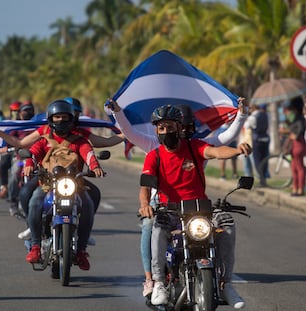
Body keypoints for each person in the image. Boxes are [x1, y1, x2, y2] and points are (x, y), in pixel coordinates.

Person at [107, 98, 249, 298]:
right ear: (156, 131)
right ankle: (156, 282)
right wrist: (145, 205)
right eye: (161, 128)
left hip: (200, 209)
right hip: (170, 210)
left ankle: (226, 285)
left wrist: (237, 151)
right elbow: (145, 187)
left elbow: (216, 151)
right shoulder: (153, 155)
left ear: (180, 127)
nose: (166, 132)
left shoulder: (196, 146)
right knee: (154, 227)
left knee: (226, 222)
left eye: (170, 127)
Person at [24, 99, 105, 270]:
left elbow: (89, 154)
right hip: (48, 185)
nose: (61, 121)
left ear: (72, 119)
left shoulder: (79, 140)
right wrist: (29, 165)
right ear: (50, 120)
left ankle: (82, 250)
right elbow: (32, 154)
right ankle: (36, 246)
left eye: (64, 117)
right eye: (57, 117)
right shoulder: (43, 141)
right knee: (33, 203)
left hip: (75, 184)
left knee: (88, 206)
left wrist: (95, 167)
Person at [280, 97, 306, 196]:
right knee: (294, 167)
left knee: (299, 167)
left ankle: (300, 189)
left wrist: (287, 132)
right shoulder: (297, 118)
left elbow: (297, 133)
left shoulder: (299, 118)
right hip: (296, 145)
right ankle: (295, 188)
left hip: (298, 144)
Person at [245, 104, 270, 186]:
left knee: (258, 161)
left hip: (257, 140)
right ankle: (264, 179)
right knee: (265, 160)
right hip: (265, 139)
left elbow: (246, 126)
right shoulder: (265, 115)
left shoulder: (252, 117)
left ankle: (262, 181)